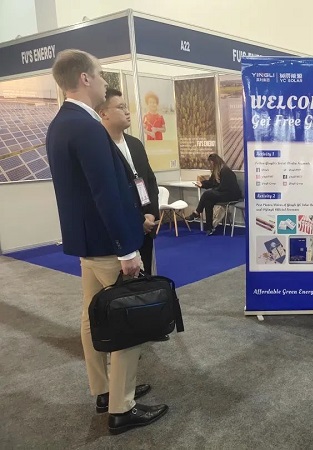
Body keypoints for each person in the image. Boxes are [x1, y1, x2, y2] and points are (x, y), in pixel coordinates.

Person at [46, 49, 168, 435]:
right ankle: (122, 407)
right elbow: (105, 193)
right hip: (109, 245)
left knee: (91, 316)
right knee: (126, 319)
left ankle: (103, 390)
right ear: (85, 78)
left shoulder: (60, 124)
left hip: (88, 243)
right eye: (100, 75)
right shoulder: (87, 128)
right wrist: (127, 249)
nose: (103, 82)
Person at [97, 88, 159, 276]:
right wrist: (138, 220)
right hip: (121, 233)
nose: (127, 112)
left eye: (126, 107)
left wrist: (151, 214)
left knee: (147, 278)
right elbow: (109, 195)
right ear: (104, 114)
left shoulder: (135, 144)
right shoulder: (99, 147)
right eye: (120, 107)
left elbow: (149, 181)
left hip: (146, 226)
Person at [186, 153, 241, 236]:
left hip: (231, 195)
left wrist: (213, 191)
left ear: (215, 162)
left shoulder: (226, 171)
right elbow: (211, 182)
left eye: (211, 163)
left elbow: (225, 187)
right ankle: (209, 228)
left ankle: (197, 212)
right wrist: (202, 184)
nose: (210, 165)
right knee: (208, 201)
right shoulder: (217, 171)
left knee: (208, 194)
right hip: (223, 193)